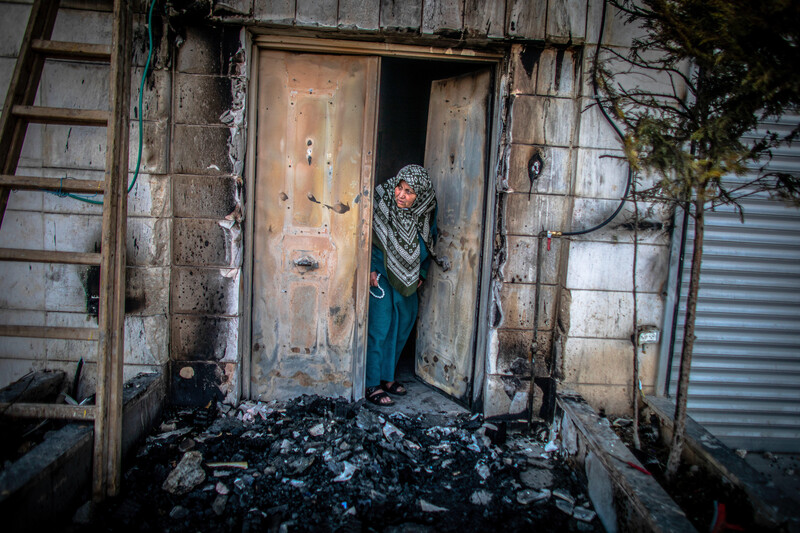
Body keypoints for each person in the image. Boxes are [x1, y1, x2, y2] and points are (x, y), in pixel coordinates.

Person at [366, 164, 445, 406]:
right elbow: (364, 234)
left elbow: (430, 240)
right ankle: (371, 383)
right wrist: (369, 268)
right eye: (400, 188)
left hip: (409, 278)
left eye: (409, 191)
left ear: (419, 195)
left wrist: (421, 271)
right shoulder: (382, 202)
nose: (400, 194)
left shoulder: (426, 209)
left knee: (401, 325)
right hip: (381, 275)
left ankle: (387, 378)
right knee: (380, 327)